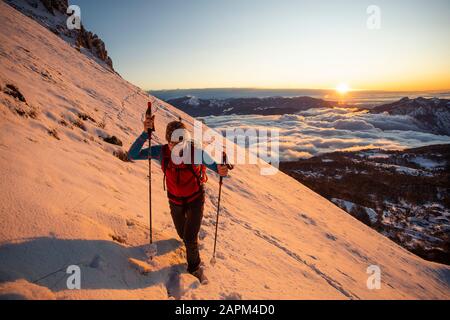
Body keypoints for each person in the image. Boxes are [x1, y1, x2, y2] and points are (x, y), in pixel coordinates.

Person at [128, 115, 229, 283]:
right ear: (168, 141)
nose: (177, 148)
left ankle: (194, 268)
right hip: (174, 200)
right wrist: (145, 133)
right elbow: (132, 155)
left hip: (195, 199)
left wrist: (222, 169)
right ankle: (190, 250)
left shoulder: (196, 153)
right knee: (182, 234)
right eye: (173, 143)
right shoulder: (161, 152)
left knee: (190, 237)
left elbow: (216, 167)